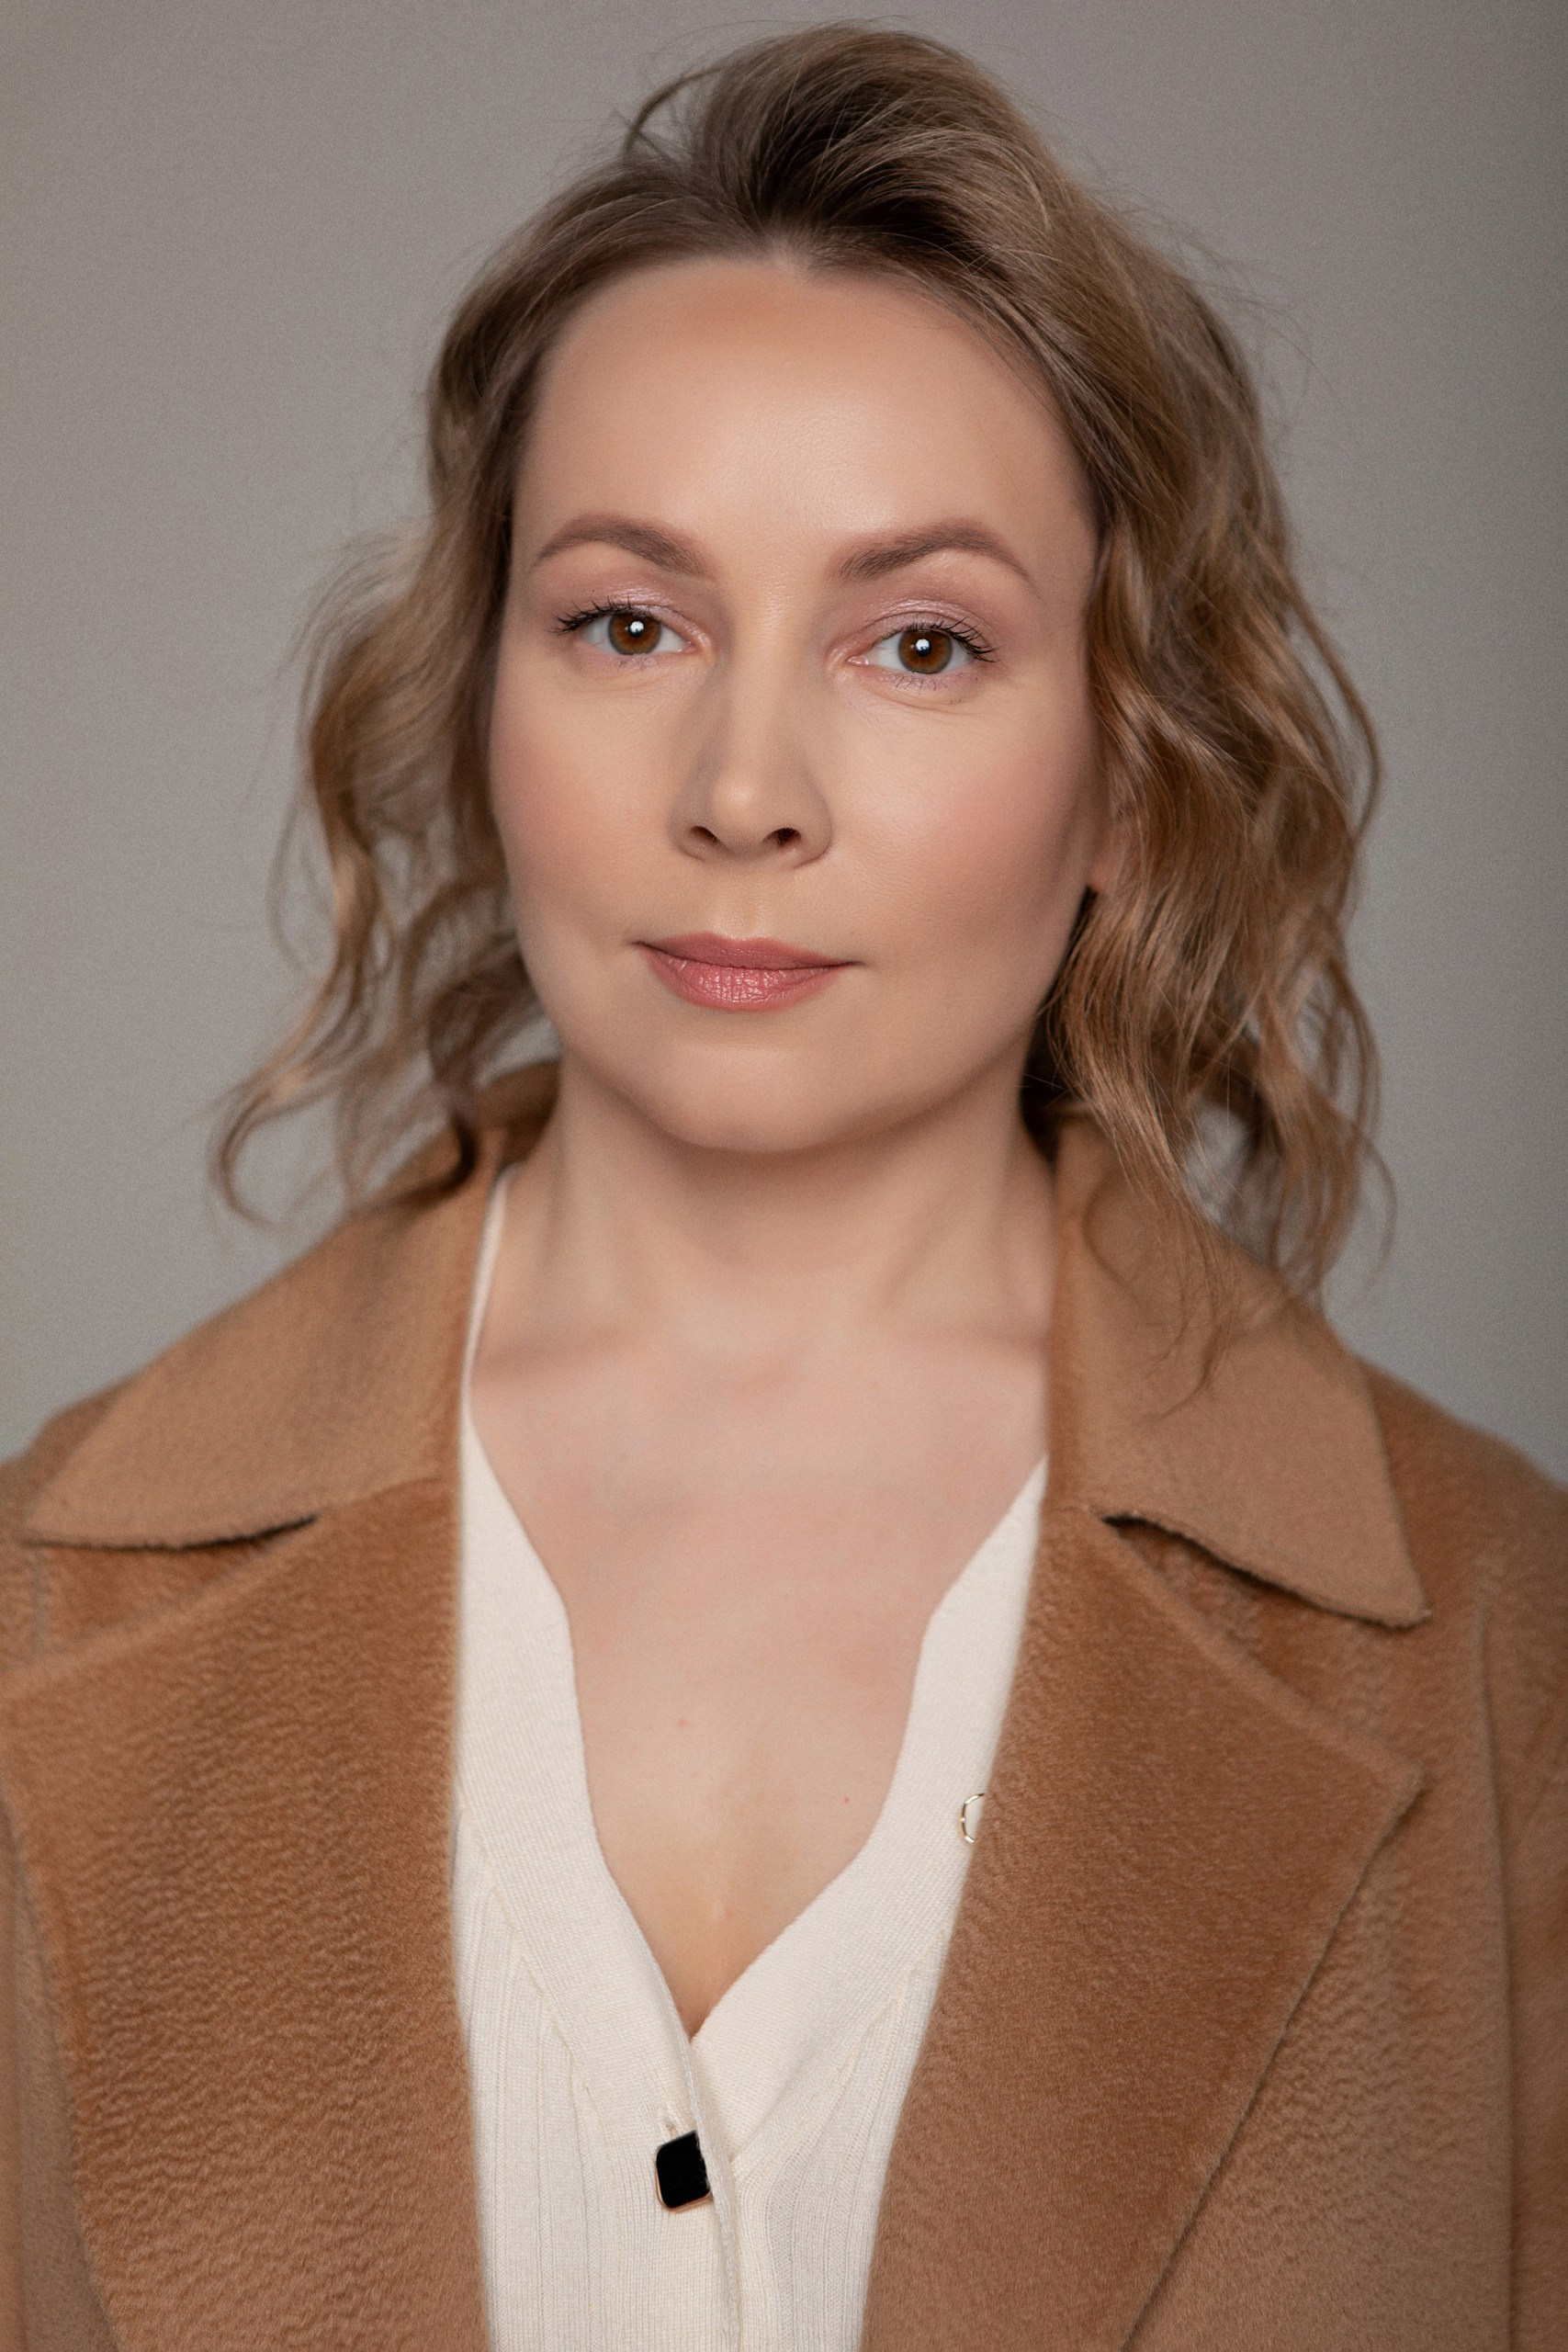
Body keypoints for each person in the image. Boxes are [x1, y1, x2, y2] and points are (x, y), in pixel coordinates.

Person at [1, 23, 1562, 2351]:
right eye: (627, 621)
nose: (742, 786)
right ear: (482, 706)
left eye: (917, 642)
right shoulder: (43, 1603)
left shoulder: (1502, 1644)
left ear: (1126, 781)